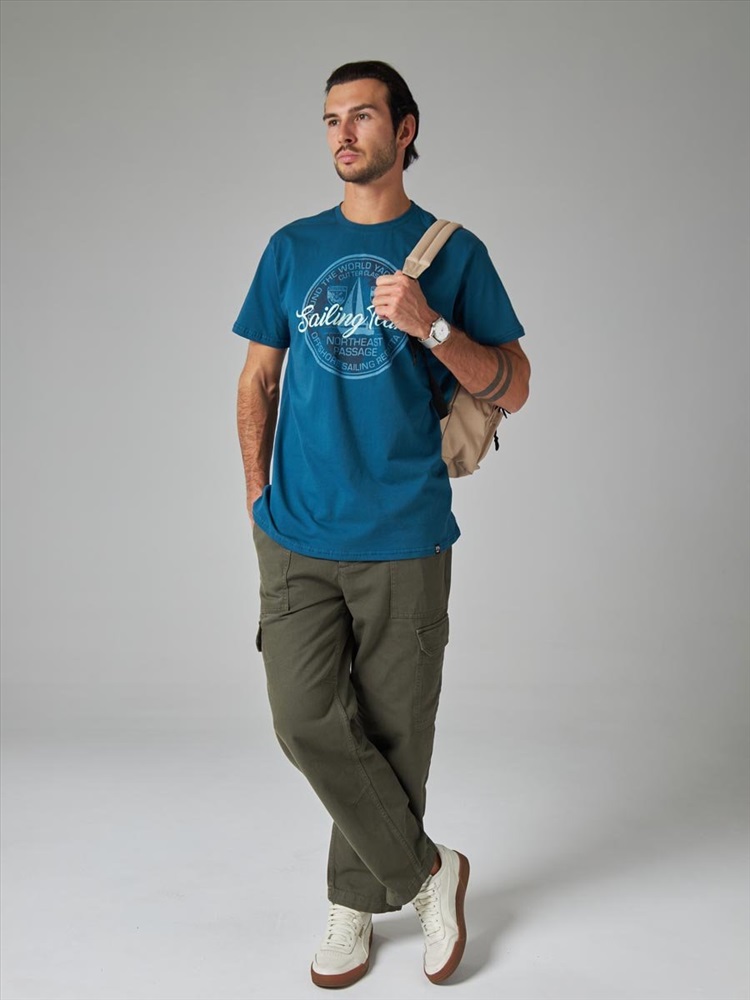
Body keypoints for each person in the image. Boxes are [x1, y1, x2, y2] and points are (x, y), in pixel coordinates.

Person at [233, 60, 530, 989]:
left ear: (405, 130)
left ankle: (353, 903)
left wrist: (432, 327)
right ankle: (429, 873)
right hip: (296, 534)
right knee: (304, 719)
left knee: (395, 734)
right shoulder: (291, 247)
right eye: (331, 119)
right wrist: (257, 498)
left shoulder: (455, 253)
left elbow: (516, 385)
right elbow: (257, 380)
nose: (343, 133)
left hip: (404, 533)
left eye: (362, 116)